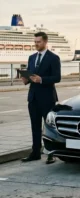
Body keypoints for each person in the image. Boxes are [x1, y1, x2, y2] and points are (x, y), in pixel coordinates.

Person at [21, 32, 61, 164]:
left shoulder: (53, 58)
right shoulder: (31, 57)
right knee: (35, 126)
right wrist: (26, 79)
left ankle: (51, 153)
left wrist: (42, 79)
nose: (36, 44)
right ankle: (35, 152)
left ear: (45, 42)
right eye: (35, 42)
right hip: (33, 97)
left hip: (47, 97)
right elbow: (30, 75)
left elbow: (57, 77)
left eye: (38, 42)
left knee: (49, 127)